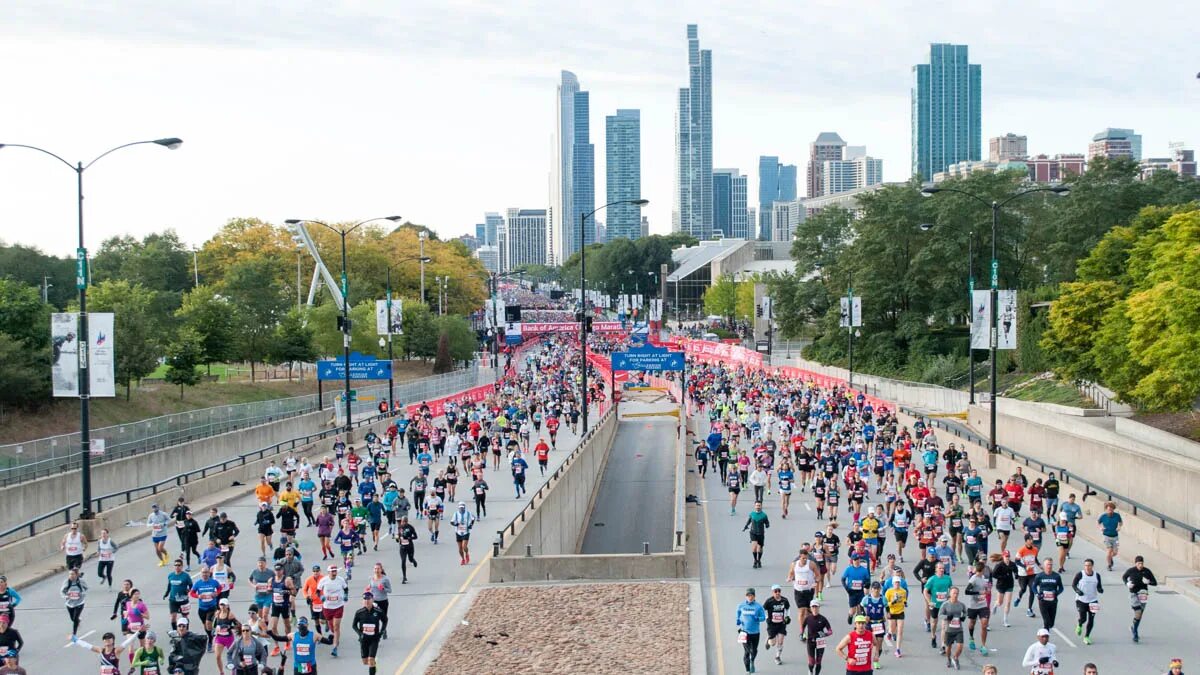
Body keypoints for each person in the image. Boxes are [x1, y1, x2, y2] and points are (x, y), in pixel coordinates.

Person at [1122, 555, 1158, 643]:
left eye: (1141, 563)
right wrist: (1127, 583)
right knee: (1137, 612)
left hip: (1143, 593)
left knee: (1140, 614)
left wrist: (1148, 582)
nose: (1140, 565)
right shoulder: (1131, 570)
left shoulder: (1147, 571)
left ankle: (1134, 627)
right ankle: (1135, 633)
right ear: (1135, 563)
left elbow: (1155, 583)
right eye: (1138, 563)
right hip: (1134, 593)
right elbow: (1124, 577)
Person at [318, 565, 349, 657]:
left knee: (336, 627)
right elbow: (318, 590)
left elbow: (346, 588)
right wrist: (321, 596)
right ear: (328, 572)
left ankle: (335, 647)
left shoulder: (340, 580)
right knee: (332, 627)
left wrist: (345, 596)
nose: (334, 572)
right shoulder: (324, 580)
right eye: (332, 571)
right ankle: (331, 629)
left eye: (335, 571)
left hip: (338, 606)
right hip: (327, 606)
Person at [735, 588, 767, 674]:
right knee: (747, 651)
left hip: (755, 633)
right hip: (744, 632)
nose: (750, 597)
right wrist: (738, 619)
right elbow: (738, 613)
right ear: (746, 596)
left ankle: (752, 660)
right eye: (748, 595)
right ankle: (747, 670)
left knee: (754, 650)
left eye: (751, 595)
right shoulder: (741, 605)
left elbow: (764, 618)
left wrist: (757, 618)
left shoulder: (758, 606)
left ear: (754, 596)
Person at [963, 561, 991, 656]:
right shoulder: (973, 579)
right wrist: (979, 593)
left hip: (983, 605)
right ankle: (971, 638)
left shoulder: (983, 578)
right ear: (982, 570)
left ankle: (983, 646)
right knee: (972, 623)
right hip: (973, 606)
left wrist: (987, 590)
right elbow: (966, 591)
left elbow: (985, 588)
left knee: (984, 624)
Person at [352, 593, 384, 675]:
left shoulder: (378, 611)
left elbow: (385, 620)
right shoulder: (359, 612)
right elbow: (354, 625)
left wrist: (381, 632)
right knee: (365, 662)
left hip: (374, 639)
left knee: (370, 660)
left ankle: (372, 664)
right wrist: (360, 634)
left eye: (368, 599)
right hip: (364, 640)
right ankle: (374, 665)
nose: (366, 601)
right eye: (365, 599)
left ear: (372, 600)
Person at [1031, 558, 1065, 631]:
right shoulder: (1039, 576)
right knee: (1046, 622)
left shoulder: (1056, 576)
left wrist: (1056, 593)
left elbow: (1061, 588)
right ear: (1044, 565)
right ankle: (1046, 637)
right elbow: (1033, 587)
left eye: (1050, 564)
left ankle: (1046, 628)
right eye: (1047, 564)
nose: (1049, 566)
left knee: (1051, 623)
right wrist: (1037, 594)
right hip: (1043, 601)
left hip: (1053, 601)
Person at [938, 586, 966, 669]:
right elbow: (940, 615)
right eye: (954, 593)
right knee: (948, 648)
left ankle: (955, 657)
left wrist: (963, 617)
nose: (956, 595)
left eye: (957, 593)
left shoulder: (961, 604)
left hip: (958, 629)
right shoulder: (945, 604)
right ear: (950, 594)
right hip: (948, 630)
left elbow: (965, 612)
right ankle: (948, 659)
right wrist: (947, 617)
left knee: (960, 646)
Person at [762, 585, 791, 666]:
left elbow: (788, 609)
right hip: (772, 624)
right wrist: (767, 617)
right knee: (772, 643)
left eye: (779, 591)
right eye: (775, 591)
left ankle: (777, 657)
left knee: (781, 641)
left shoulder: (784, 600)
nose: (777, 593)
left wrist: (788, 617)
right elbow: (763, 610)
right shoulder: (769, 601)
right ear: (773, 592)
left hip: (781, 623)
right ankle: (769, 639)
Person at [801, 600, 832, 675]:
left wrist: (825, 634)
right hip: (810, 642)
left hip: (820, 642)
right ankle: (810, 671)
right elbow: (803, 626)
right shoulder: (808, 618)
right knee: (812, 662)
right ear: (811, 608)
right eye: (813, 607)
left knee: (818, 662)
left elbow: (830, 631)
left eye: (816, 607)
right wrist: (802, 634)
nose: (815, 609)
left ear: (819, 608)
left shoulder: (823, 619)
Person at [883, 575, 907, 659]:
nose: (897, 584)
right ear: (893, 583)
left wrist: (904, 603)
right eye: (896, 583)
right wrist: (892, 603)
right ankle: (889, 633)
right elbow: (885, 603)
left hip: (900, 612)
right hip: (892, 612)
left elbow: (904, 599)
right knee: (892, 629)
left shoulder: (903, 591)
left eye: (898, 583)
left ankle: (898, 650)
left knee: (900, 631)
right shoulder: (889, 592)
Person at [60, 567, 88, 638]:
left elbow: (86, 589)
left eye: (72, 574)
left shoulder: (81, 581)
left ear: (76, 575)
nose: (71, 576)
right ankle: (78, 620)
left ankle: (74, 634)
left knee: (75, 618)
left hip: (79, 603)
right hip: (69, 603)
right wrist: (66, 596)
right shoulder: (67, 582)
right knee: (72, 618)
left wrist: (81, 594)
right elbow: (62, 591)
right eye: (69, 574)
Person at [743, 501, 770, 568]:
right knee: (754, 547)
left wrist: (767, 525)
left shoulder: (764, 515)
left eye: (759, 505)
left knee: (759, 548)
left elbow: (767, 523)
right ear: (754, 506)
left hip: (761, 534)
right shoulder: (752, 514)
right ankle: (755, 561)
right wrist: (746, 526)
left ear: (761, 506)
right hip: (753, 533)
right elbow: (749, 521)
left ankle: (759, 560)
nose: (758, 507)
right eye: (757, 505)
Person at [1097, 502, 1123, 572]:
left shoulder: (1117, 515)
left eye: (1111, 509)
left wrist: (1119, 527)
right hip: (1106, 536)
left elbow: (1120, 522)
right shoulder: (1103, 516)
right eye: (1108, 509)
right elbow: (1098, 522)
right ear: (1106, 509)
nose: (1110, 511)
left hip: (1115, 536)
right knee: (1109, 551)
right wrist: (1101, 527)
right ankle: (1109, 565)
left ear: (1113, 509)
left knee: (1115, 552)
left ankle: (1110, 558)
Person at [395, 516, 419, 584]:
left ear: (407, 521)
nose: (404, 523)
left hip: (410, 546)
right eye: (403, 521)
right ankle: (404, 577)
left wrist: (409, 538)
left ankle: (413, 560)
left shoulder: (410, 527)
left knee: (410, 559)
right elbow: (398, 536)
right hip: (402, 547)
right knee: (403, 561)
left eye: (405, 521)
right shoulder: (399, 527)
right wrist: (397, 538)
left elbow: (416, 537)